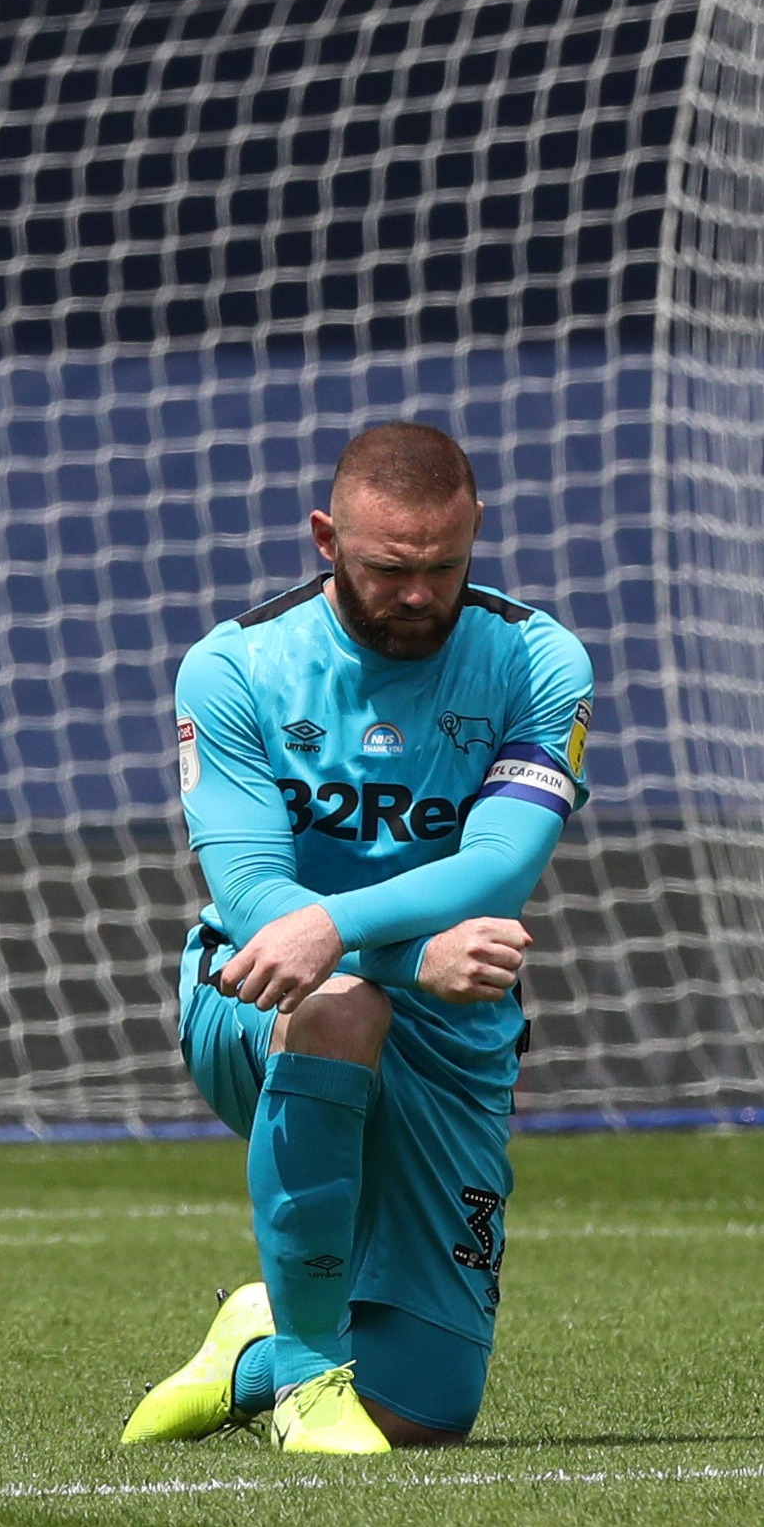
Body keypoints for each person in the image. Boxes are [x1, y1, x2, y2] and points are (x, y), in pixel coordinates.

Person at [117, 421, 588, 1453]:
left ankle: (260, 1337)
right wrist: (398, 955)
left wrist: (347, 932)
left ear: (477, 533)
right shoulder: (234, 666)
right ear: (326, 539)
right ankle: (310, 1379)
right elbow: (249, 894)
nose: (419, 595)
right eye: (389, 569)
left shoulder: (537, 661)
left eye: (444, 568)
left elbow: (500, 869)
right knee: (340, 1006)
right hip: (258, 994)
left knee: (426, 1410)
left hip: (457, 1025)